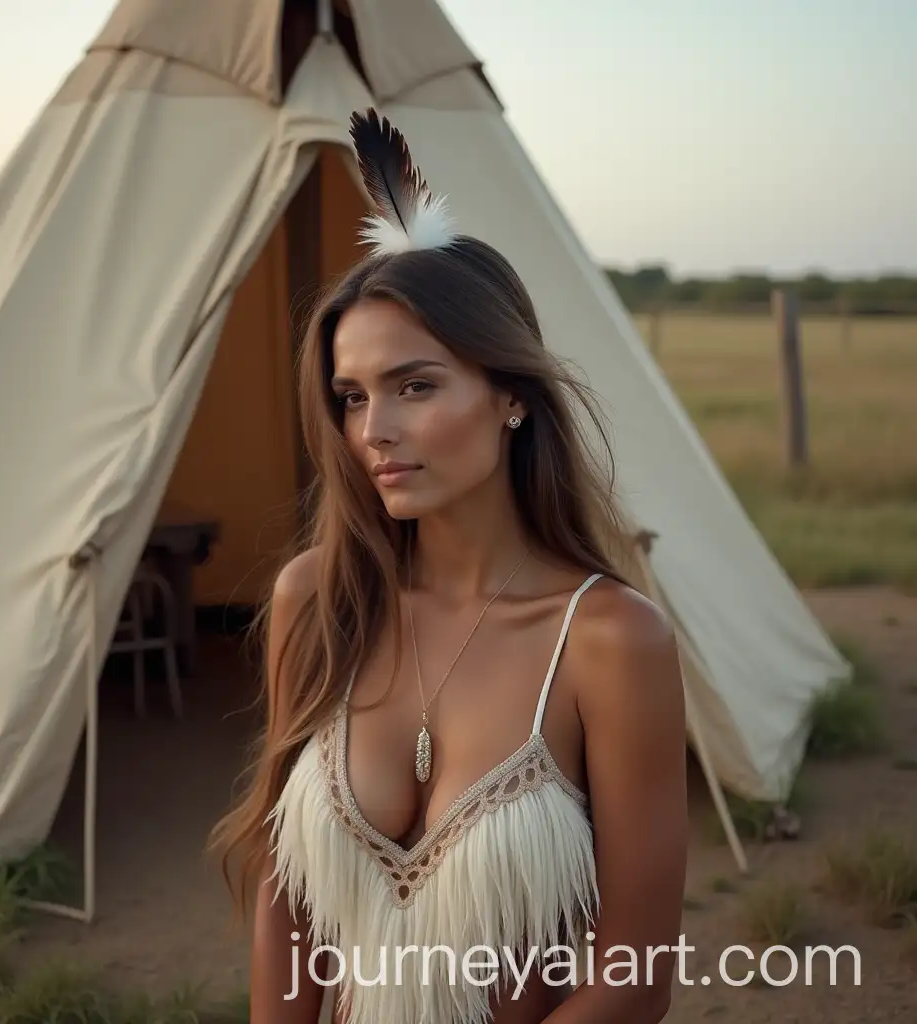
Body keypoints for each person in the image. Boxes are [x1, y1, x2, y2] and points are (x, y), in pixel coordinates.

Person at [210, 108, 687, 1024]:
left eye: (415, 386)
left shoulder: (609, 640)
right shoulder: (316, 601)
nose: (373, 431)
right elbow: (285, 895)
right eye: (352, 397)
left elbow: (635, 979)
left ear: (510, 396)